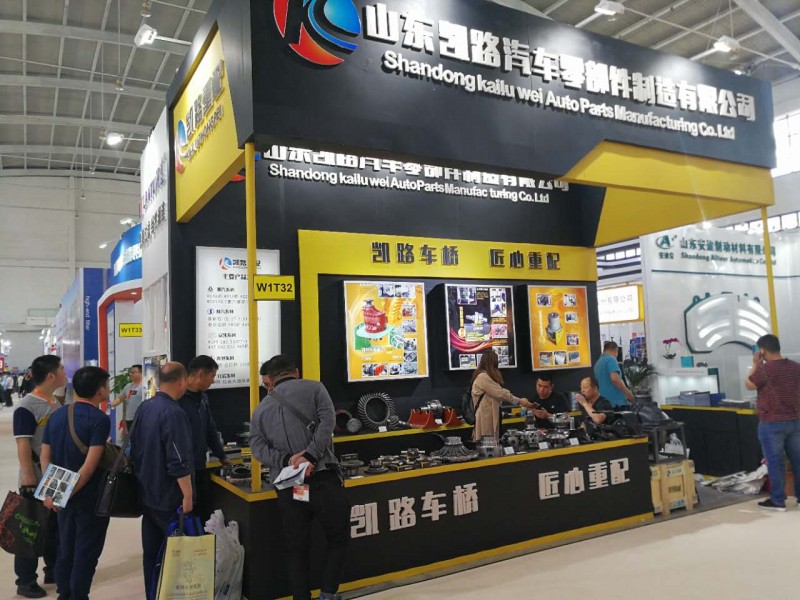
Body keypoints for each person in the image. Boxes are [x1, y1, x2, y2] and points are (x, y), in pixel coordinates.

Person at [250, 354, 350, 600]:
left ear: (270, 379)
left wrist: (287, 460)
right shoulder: (315, 388)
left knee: (297, 548)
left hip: (289, 486)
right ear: (295, 372)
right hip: (322, 478)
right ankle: (327, 594)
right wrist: (311, 456)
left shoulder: (260, 409)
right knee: (338, 538)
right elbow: (328, 420)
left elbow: (256, 447)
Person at [40, 367, 112, 600]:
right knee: (86, 551)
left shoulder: (57, 415)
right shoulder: (99, 420)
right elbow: (89, 467)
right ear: (100, 390)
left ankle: (64, 594)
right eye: (106, 385)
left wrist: (53, 493)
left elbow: (45, 456)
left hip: (62, 498)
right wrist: (65, 493)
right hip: (89, 497)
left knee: (66, 547)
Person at [130, 362, 194, 599]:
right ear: (182, 381)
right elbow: (178, 460)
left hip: (146, 492)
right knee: (176, 555)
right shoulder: (174, 413)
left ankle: (152, 593)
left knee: (151, 553)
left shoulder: (145, 407)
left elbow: (133, 446)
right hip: (169, 497)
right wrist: (188, 495)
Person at [12, 355, 67, 598]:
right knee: (30, 530)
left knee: (54, 527)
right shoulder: (27, 406)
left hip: (54, 475)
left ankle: (52, 570)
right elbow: (23, 443)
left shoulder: (53, 401)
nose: (65, 372)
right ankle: (25, 581)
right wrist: (28, 476)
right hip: (35, 477)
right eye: (62, 369)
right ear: (51, 375)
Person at [745, 334, 800, 511]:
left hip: (772, 423)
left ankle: (778, 500)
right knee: (798, 460)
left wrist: (755, 364)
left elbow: (749, 384)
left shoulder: (765, 369)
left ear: (762, 351)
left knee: (775, 462)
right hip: (795, 421)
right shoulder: (795, 367)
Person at [179, 355, 229, 522]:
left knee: (203, 510)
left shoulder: (203, 399)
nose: (213, 381)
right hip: (182, 469)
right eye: (212, 376)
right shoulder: (178, 399)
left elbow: (210, 429)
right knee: (186, 513)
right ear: (200, 374)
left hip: (200, 465)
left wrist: (221, 455)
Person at [471, 350, 533, 440]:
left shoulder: (484, 377)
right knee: (487, 443)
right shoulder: (483, 377)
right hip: (485, 418)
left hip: (488, 416)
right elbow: (500, 393)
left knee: (490, 442)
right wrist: (520, 401)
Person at [594, 341, 634, 408]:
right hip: (616, 403)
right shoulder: (611, 359)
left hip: (604, 402)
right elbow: (615, 379)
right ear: (616, 350)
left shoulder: (598, 363)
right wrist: (628, 393)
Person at [109, 364, 144, 438]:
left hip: (141, 418)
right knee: (132, 439)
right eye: (130, 372)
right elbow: (120, 398)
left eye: (133, 372)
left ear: (141, 373)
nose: (131, 374)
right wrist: (111, 405)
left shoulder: (144, 387)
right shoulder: (128, 386)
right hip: (129, 418)